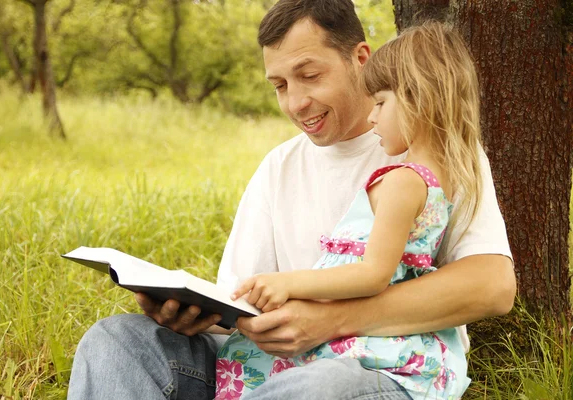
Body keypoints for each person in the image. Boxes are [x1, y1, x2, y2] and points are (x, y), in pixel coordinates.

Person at [67, 1, 516, 399]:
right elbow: (238, 305)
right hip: (270, 368)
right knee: (116, 340)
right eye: (280, 85)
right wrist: (193, 312)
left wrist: (332, 321)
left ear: (361, 59)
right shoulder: (278, 167)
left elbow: (492, 287)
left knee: (317, 386)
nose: (296, 102)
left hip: (367, 370)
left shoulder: (435, 154)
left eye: (309, 75)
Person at [216, 22, 483, 400]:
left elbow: (373, 274)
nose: (373, 117)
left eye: (380, 104)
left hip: (370, 357)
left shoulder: (404, 180)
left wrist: (287, 283)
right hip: (357, 349)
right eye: (280, 86)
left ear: (417, 100)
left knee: (308, 382)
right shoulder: (448, 173)